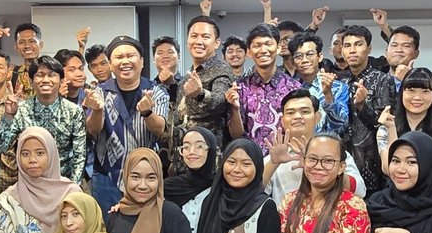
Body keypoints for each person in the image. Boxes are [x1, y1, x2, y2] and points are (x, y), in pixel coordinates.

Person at [86, 36, 168, 212]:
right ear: (110, 63)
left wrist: (147, 113)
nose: (125, 61)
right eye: (118, 57)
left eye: (130, 55)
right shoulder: (99, 92)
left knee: (144, 230)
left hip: (145, 177)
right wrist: (98, 110)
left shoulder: (157, 92)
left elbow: (160, 130)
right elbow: (93, 131)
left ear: (142, 61)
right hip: (106, 175)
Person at [0, 55, 88, 184]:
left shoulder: (74, 111)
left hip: (63, 183)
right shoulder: (21, 109)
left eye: (51, 75)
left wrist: (73, 188)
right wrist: (8, 116)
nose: (45, 80)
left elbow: (79, 156)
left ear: (61, 80)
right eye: (40, 75)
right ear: (31, 81)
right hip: (30, 183)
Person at [266, 90, 363, 203]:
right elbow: (253, 194)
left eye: (305, 111)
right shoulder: (273, 159)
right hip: (286, 219)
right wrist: (273, 164)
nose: (297, 116)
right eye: (290, 113)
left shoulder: (336, 153)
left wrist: (320, 166)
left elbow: (360, 191)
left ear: (317, 117)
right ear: (282, 121)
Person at [377, 66, 432, 194]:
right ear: (401, 93)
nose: (417, 97)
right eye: (411, 90)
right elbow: (387, 169)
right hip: (401, 200)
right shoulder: (386, 128)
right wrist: (391, 129)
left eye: (425, 91)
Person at [334, 26, 398, 195]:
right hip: (340, 163)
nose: (352, 50)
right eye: (347, 45)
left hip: (372, 165)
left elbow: (384, 126)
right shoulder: (338, 81)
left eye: (358, 44)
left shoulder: (383, 80)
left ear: (369, 48)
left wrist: (362, 106)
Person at [230, 24, 303, 153]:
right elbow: (236, 135)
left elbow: (298, 130)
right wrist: (235, 109)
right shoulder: (240, 88)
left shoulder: (294, 88)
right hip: (250, 161)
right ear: (249, 52)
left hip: (284, 161)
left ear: (279, 48)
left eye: (268, 44)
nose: (263, 50)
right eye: (257, 45)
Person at [179, 15, 236, 154]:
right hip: (185, 153)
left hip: (210, 153)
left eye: (205, 37)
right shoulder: (186, 77)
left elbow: (220, 100)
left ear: (216, 43)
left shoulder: (222, 69)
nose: (198, 41)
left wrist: (200, 94)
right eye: (194, 36)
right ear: (187, 41)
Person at [288, 32, 349, 135]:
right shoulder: (288, 89)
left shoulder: (338, 88)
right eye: (298, 56)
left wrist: (328, 95)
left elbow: (341, 126)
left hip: (329, 148)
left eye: (310, 54)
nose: (304, 60)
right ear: (293, 61)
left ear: (320, 56)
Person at [166, 126, 218, 232]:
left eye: (199, 146)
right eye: (186, 147)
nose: (191, 152)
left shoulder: (221, 187)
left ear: (211, 150)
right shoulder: (169, 187)